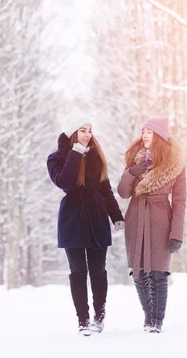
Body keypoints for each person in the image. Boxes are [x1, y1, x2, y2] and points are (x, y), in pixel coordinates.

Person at [47, 113, 125, 336]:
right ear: (73, 133)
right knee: (78, 271)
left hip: (97, 220)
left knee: (98, 270)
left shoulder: (96, 157)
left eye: (89, 130)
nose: (87, 134)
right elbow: (65, 182)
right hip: (72, 221)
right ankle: (83, 319)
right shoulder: (57, 158)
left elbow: (105, 190)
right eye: (82, 130)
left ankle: (99, 316)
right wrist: (75, 153)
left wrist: (116, 216)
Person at [117, 116, 187, 333]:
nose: (144, 135)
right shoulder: (136, 160)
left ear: (159, 136)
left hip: (160, 220)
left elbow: (180, 201)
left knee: (158, 272)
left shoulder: (175, 164)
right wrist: (131, 173)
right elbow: (123, 192)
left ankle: (157, 321)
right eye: (143, 131)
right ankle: (148, 317)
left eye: (149, 131)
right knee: (138, 271)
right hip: (136, 218)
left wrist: (177, 233)